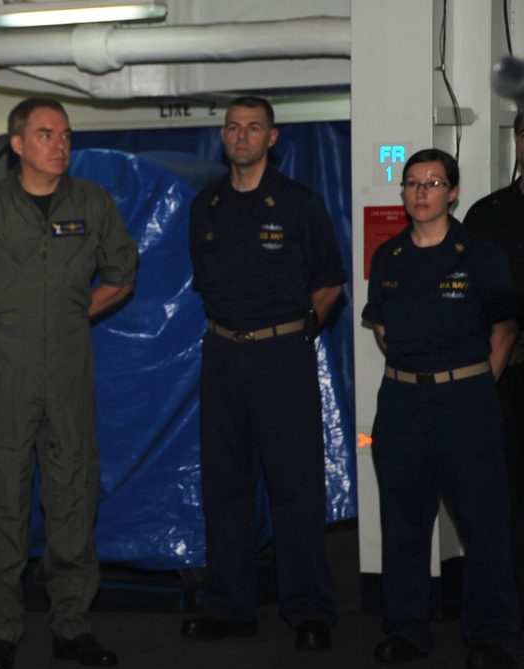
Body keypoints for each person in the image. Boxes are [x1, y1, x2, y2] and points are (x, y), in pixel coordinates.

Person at [0, 97, 139, 669]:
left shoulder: (92, 204)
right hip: (4, 373)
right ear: (18, 144)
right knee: (1, 499)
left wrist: (74, 312)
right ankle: (1, 629)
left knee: (73, 495)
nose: (60, 144)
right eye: (47, 134)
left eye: (66, 134)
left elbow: (122, 275)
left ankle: (72, 626)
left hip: (69, 372)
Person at [183, 96, 343, 651]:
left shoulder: (301, 204)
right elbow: (204, 281)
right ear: (223, 137)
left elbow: (329, 283)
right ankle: (230, 608)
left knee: (295, 489)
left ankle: (310, 612)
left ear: (272, 138)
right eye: (233, 127)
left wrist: (301, 335)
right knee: (224, 488)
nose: (242, 135)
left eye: (253, 127)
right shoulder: (205, 206)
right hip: (223, 357)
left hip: (282, 360)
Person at [364, 148, 523, 668]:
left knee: (483, 524)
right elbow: (385, 331)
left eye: (433, 183)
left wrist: (472, 383)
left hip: (466, 401)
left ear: (453, 192)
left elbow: (503, 329)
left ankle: (493, 635)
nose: (421, 192)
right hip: (403, 403)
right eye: (412, 183)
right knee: (404, 521)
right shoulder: (388, 259)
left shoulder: (480, 254)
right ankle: (408, 629)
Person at [463, 110, 524, 624]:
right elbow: (475, 308)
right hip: (510, 377)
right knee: (508, 496)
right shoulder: (488, 215)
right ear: (517, 141)